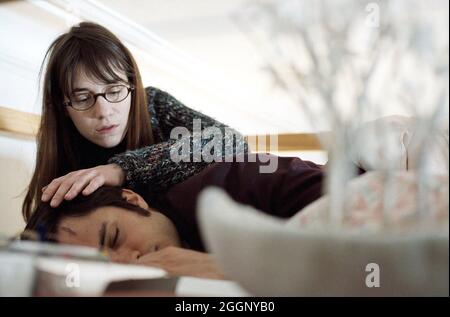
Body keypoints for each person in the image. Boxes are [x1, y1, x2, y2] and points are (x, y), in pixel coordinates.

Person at [22, 21, 247, 222]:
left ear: (131, 86)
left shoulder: (155, 105)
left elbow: (231, 141)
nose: (103, 111)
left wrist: (122, 169)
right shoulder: (60, 146)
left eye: (115, 90)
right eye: (82, 98)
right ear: (63, 106)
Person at [23, 154, 327, 278]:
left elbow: (365, 230)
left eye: (114, 238)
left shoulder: (238, 179)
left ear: (133, 200)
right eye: (103, 265)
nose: (130, 263)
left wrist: (228, 269)